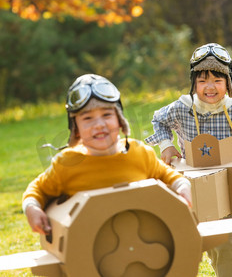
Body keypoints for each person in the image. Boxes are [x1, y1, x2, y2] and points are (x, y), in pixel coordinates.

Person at [145, 43, 232, 277]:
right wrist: (166, 145)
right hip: (193, 188)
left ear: (228, 83)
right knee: (190, 243)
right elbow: (158, 120)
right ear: (194, 83)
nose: (210, 87)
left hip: (227, 188)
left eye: (217, 80)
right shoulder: (182, 108)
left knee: (227, 244)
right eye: (203, 80)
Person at [23, 73, 192, 235]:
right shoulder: (66, 163)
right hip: (89, 251)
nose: (99, 124)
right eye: (87, 118)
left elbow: (168, 175)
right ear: (76, 129)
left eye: (106, 115)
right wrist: (32, 207)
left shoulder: (139, 153)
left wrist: (182, 186)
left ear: (119, 121)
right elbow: (37, 189)